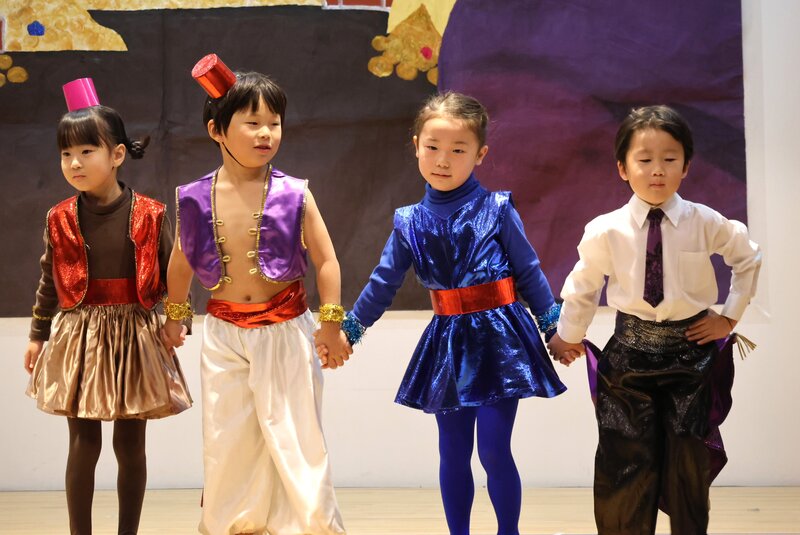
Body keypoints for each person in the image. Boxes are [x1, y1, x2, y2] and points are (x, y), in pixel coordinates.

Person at [319, 92, 567, 535]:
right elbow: (382, 283)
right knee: (452, 452)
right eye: (433, 147)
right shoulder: (409, 221)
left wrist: (554, 329)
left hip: (501, 341)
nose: (443, 160)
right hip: (448, 344)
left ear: (480, 154)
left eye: (458, 150)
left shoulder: (497, 209)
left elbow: (529, 271)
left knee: (493, 450)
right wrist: (347, 333)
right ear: (416, 145)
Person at [547, 105, 762, 534]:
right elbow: (584, 285)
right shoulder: (606, 229)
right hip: (628, 358)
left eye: (669, 158)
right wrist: (568, 335)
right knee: (624, 460)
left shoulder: (705, 221)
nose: (657, 170)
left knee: (687, 462)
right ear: (623, 168)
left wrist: (729, 318)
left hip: (692, 355)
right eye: (644, 159)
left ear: (686, 166)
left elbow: (748, 258)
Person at [161, 54, 347, 535]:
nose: (266, 133)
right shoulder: (193, 197)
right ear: (217, 130)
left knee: (296, 435)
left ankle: (313, 527)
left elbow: (327, 261)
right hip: (223, 333)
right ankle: (232, 524)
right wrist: (175, 315)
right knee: (228, 437)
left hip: (285, 329)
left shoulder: (295, 193)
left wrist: (331, 324)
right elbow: (180, 261)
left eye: (274, 123)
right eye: (252, 123)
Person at [24, 77, 192, 535]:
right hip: (79, 336)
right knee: (83, 443)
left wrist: (177, 321)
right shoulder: (58, 217)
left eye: (86, 151)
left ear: (117, 154)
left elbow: (175, 272)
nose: (74, 163)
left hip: (136, 334)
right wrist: (37, 335)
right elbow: (48, 279)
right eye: (66, 154)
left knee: (130, 445)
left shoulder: (151, 213)